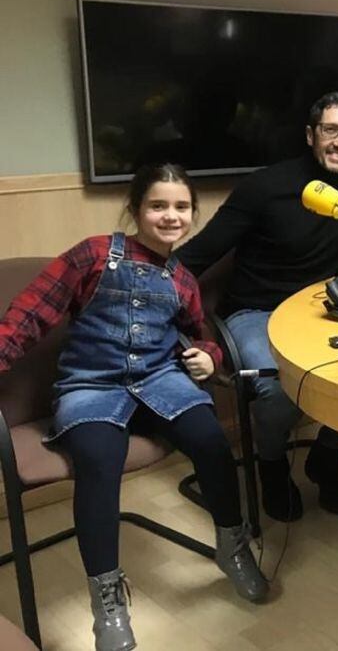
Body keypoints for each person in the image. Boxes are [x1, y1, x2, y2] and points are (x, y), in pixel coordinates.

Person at [0, 164, 267, 651]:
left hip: (160, 380)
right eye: (158, 206)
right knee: (100, 460)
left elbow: (202, 335)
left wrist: (209, 357)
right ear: (137, 209)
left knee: (211, 440)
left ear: (192, 214)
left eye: (181, 207)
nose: (171, 216)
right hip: (90, 385)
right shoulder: (93, 255)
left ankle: (232, 547)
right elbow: (28, 315)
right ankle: (108, 604)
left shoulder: (182, 278)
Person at [176, 92, 338, 522]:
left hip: (326, 311)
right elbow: (198, 255)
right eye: (331, 130)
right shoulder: (263, 188)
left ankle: (326, 455)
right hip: (256, 313)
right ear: (310, 135)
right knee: (275, 389)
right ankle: (271, 465)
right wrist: (141, 291)